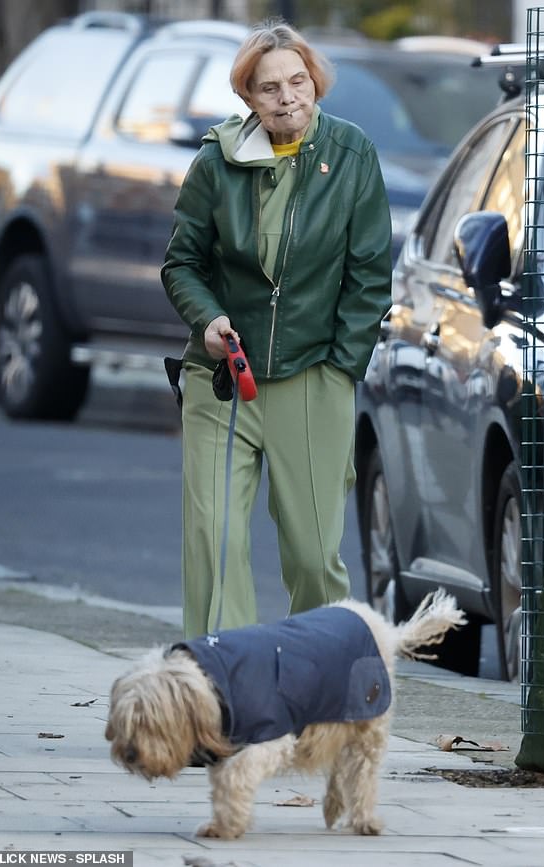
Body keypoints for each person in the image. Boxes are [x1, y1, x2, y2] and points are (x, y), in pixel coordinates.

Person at [161, 19, 392, 638]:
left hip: (314, 372)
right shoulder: (216, 161)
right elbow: (181, 262)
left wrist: (342, 367)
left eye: (298, 81)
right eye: (269, 88)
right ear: (248, 98)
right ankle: (220, 695)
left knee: (316, 557)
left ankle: (319, 696)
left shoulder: (351, 155)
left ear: (315, 82)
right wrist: (208, 320)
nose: (287, 97)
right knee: (214, 544)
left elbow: (370, 273)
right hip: (222, 379)